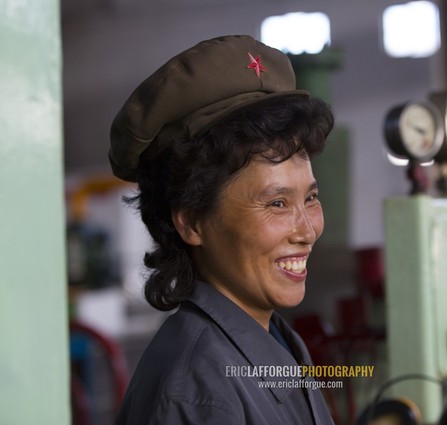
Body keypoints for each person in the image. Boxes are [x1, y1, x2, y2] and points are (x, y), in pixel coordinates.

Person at [108, 35, 335, 424]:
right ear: (192, 221)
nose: (307, 230)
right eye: (277, 203)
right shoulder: (197, 396)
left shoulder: (272, 338)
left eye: (310, 198)